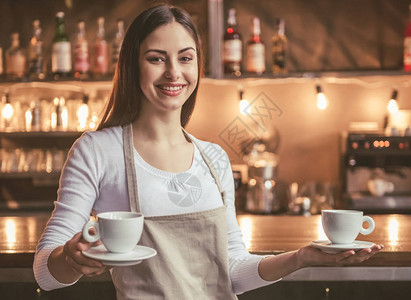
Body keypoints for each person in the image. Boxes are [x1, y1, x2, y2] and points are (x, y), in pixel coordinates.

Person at [33, 4, 384, 299]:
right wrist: (71, 258)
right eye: (157, 59)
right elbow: (45, 272)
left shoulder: (213, 158)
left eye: (185, 58)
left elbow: (232, 270)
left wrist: (301, 258)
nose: (174, 72)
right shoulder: (97, 151)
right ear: (131, 65)